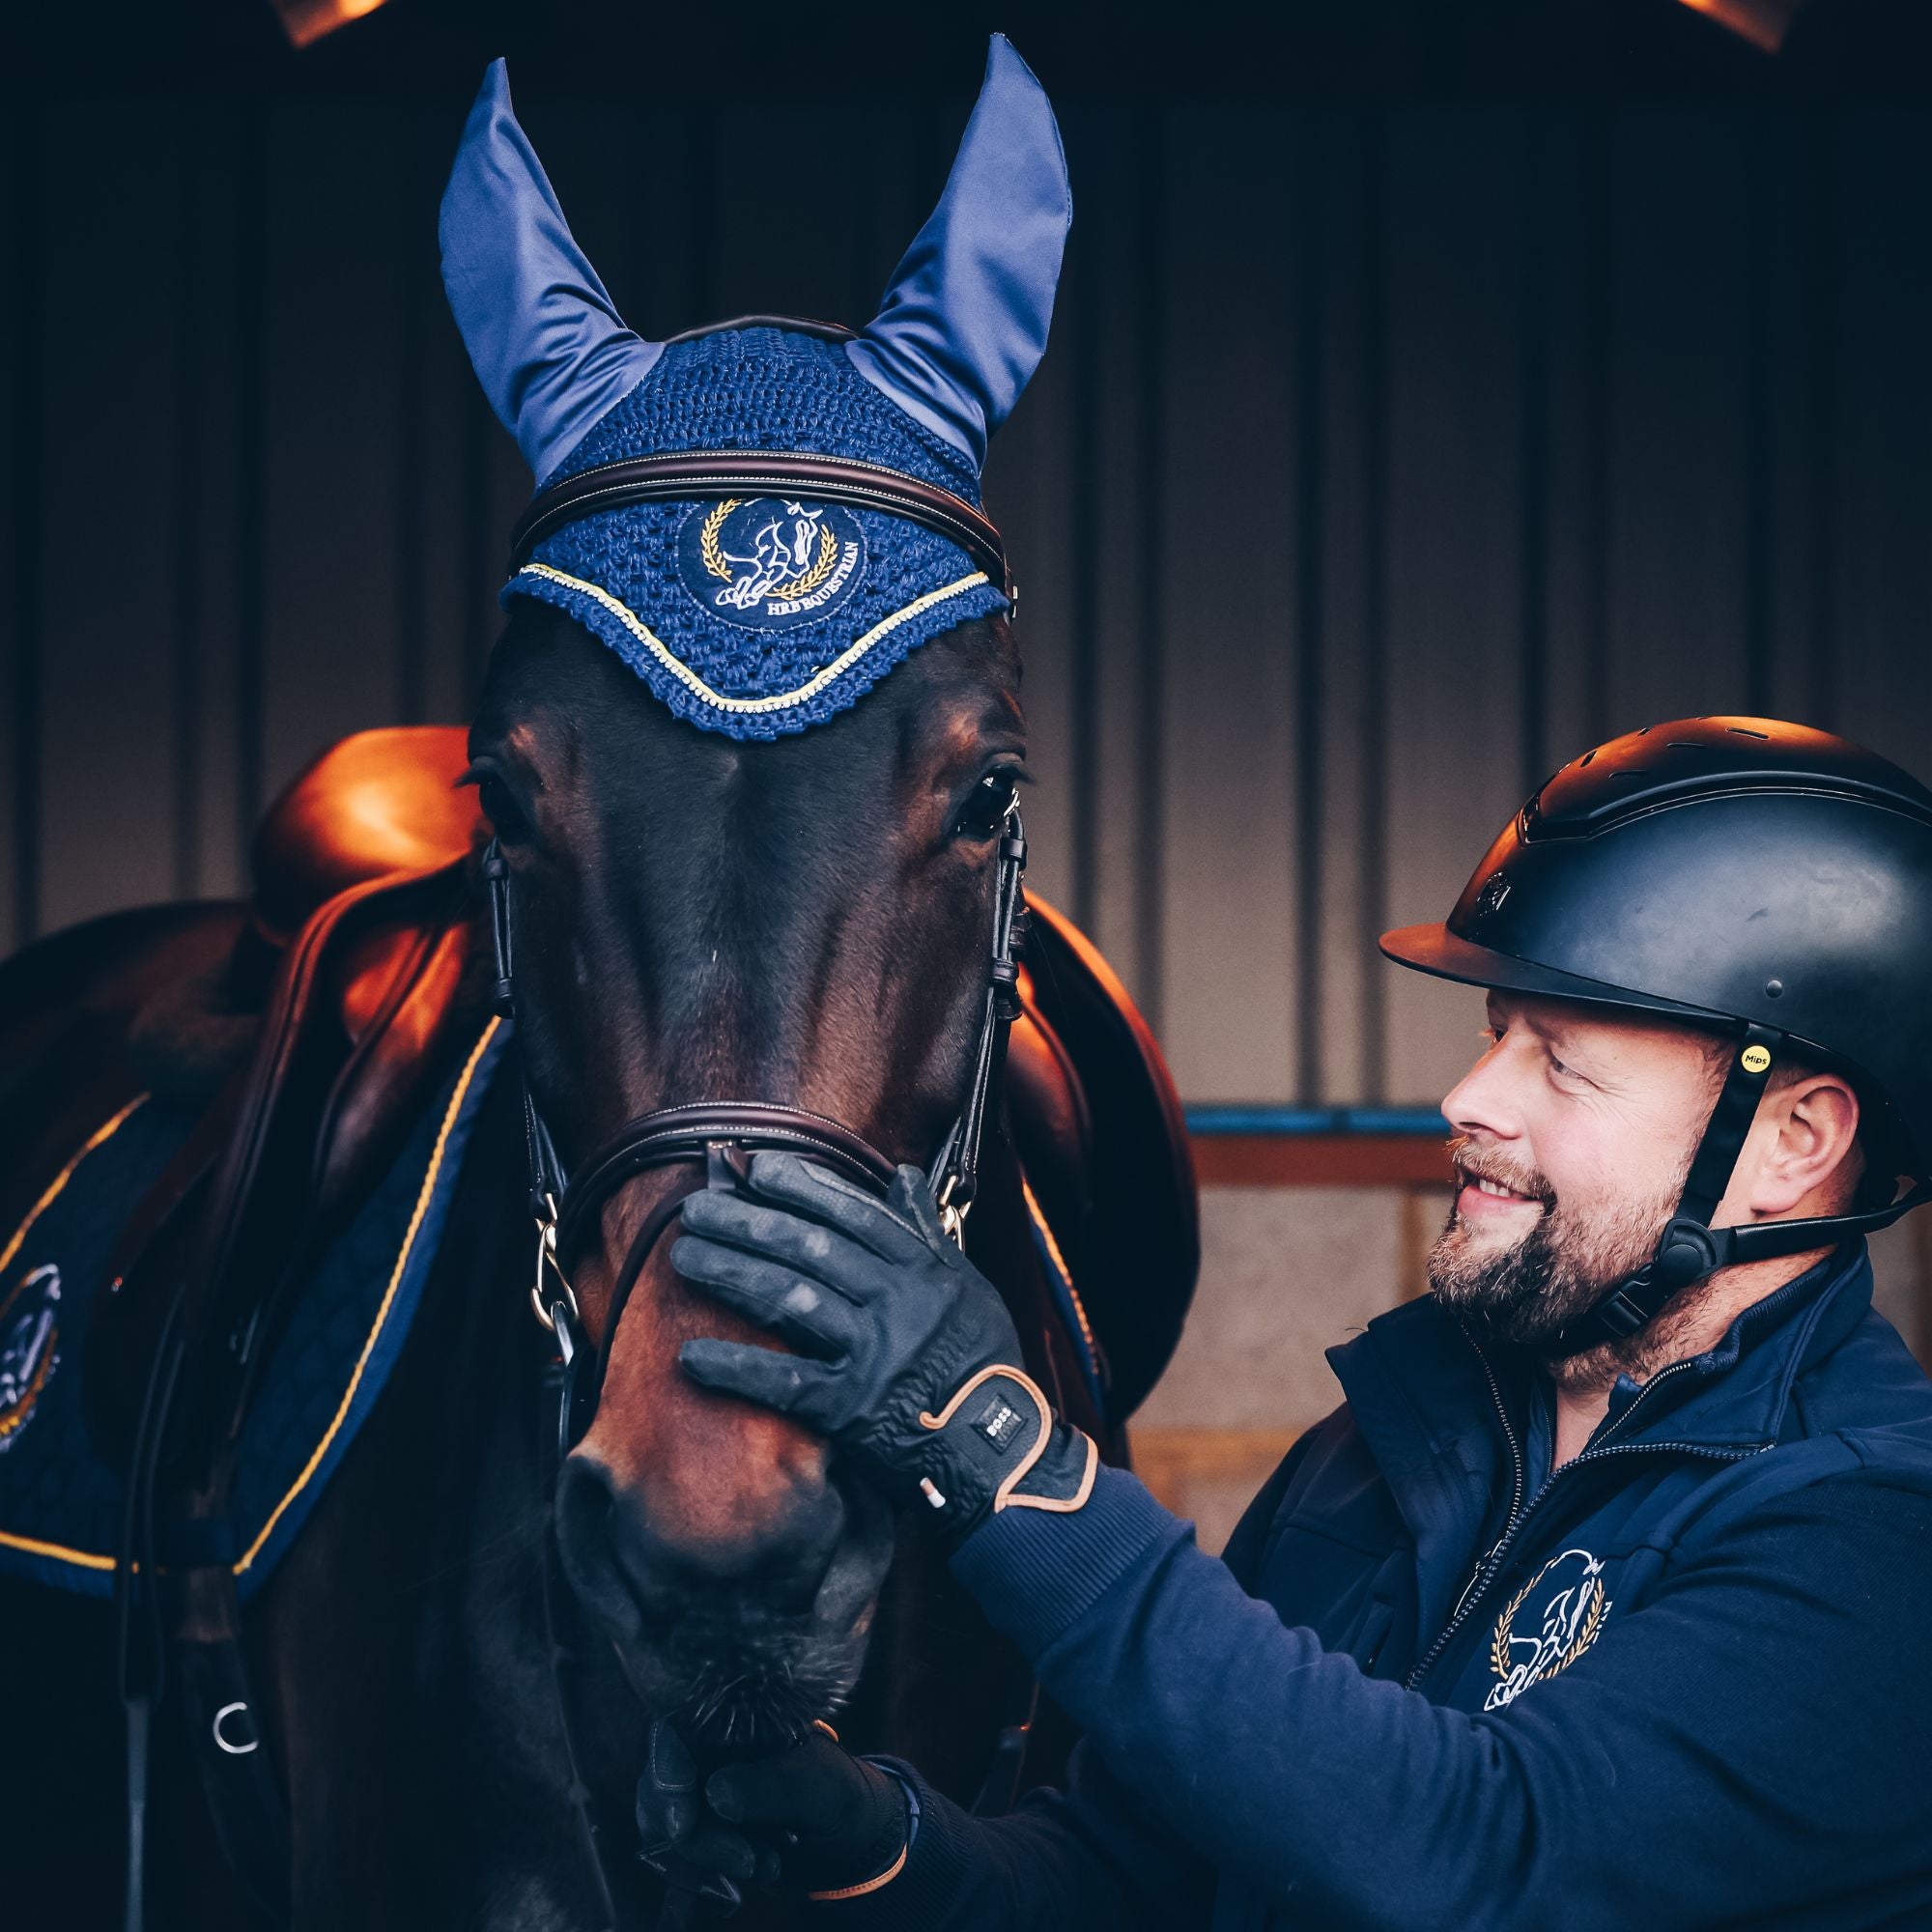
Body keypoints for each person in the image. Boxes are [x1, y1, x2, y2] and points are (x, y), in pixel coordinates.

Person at [647, 715, 1932, 1929]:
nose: (1467, 1098)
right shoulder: (1389, 1445)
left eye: (1561, 1061)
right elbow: (1128, 1879)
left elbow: (1476, 1862)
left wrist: (998, 1449)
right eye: (1496, 1036)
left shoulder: (1876, 1535)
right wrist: (867, 1836)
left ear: (1793, 1142)